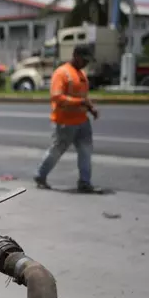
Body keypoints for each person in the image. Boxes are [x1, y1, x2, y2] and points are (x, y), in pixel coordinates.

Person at [34, 44, 100, 193]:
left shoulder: (80, 74)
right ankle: (40, 175)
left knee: (86, 151)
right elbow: (56, 97)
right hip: (65, 122)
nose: (87, 63)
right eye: (85, 59)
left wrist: (91, 108)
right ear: (76, 56)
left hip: (82, 121)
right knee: (57, 150)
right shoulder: (62, 73)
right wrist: (80, 102)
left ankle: (84, 182)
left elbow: (83, 96)